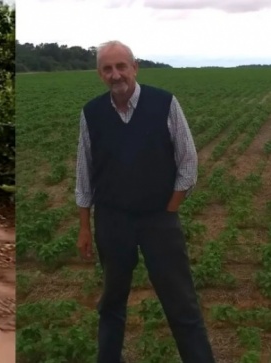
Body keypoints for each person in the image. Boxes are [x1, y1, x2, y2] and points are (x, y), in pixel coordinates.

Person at [74, 40, 215, 363]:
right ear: (100, 74)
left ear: (134, 67)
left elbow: (188, 162)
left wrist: (170, 208)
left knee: (181, 303)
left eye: (121, 66)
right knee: (112, 304)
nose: (115, 74)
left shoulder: (163, 104)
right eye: (107, 69)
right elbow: (84, 173)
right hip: (112, 221)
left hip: (158, 220)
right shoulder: (92, 113)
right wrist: (84, 225)